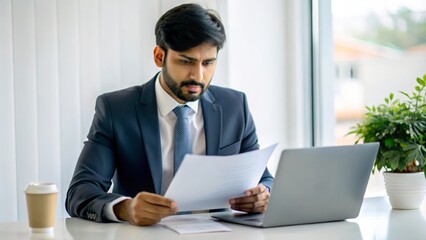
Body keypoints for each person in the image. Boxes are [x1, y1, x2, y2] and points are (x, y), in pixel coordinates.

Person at [65, 3, 273, 226]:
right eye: (186, 61)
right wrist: (125, 208)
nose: (198, 75)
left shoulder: (235, 106)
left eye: (208, 63)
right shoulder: (116, 109)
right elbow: (80, 192)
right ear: (158, 56)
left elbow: (263, 179)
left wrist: (263, 196)